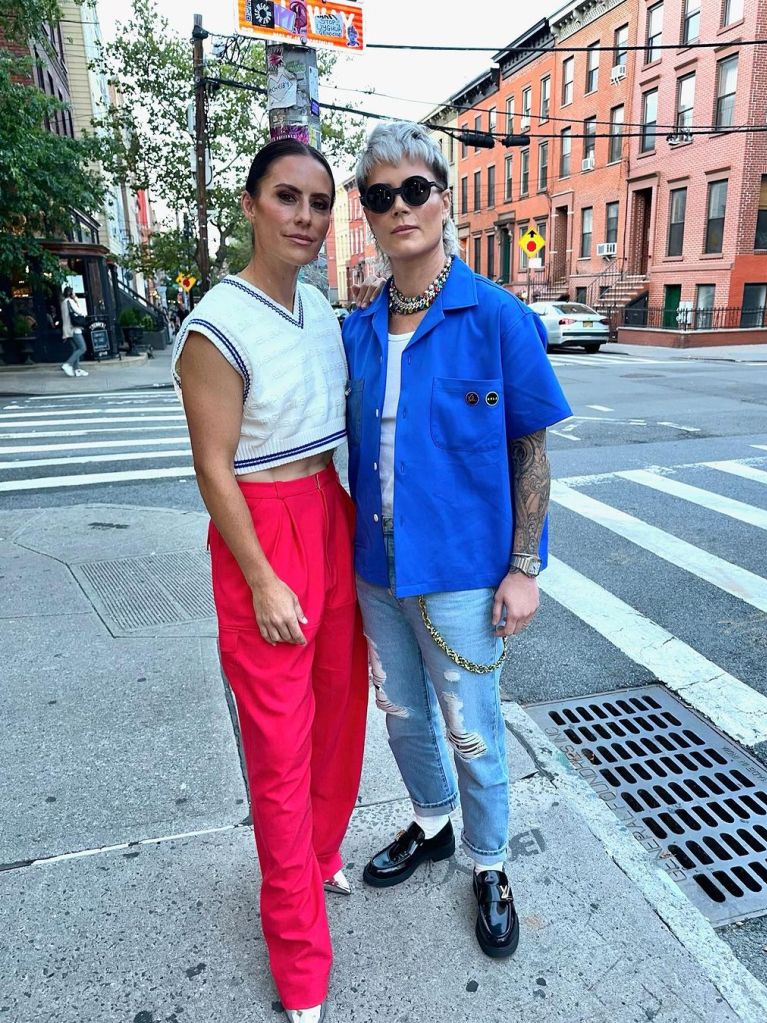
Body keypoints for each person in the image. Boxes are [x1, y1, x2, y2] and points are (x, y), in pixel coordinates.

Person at [342, 122, 571, 959]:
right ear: (366, 212)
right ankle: (432, 825)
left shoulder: (498, 319)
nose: (398, 207)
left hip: (466, 578)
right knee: (402, 718)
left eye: (413, 190)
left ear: (443, 198)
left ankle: (489, 861)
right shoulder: (359, 331)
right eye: (378, 195)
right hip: (377, 572)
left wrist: (521, 567)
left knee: (472, 728)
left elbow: (530, 450)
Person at [172, 139, 379, 1023]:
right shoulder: (216, 324)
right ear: (251, 204)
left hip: (327, 514)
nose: (305, 216)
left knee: (339, 716)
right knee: (280, 747)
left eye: (319, 202)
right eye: (287, 197)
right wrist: (260, 578)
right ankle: (298, 960)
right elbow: (212, 467)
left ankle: (321, 854)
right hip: (263, 534)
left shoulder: (322, 311)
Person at [60, 286, 88, 377]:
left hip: (67, 329)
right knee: (82, 348)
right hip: (74, 329)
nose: (75, 294)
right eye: (73, 293)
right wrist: (77, 300)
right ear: (70, 294)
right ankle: (68, 364)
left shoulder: (63, 303)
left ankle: (77, 369)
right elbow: (82, 312)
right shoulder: (70, 301)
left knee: (76, 349)